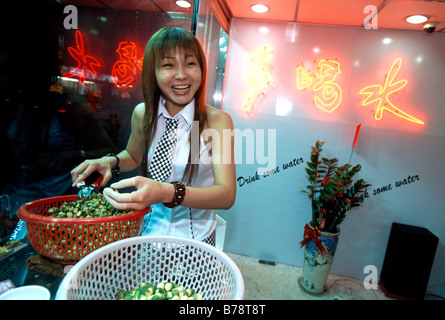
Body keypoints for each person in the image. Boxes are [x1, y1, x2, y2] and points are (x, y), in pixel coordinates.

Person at [71, 27, 236, 245]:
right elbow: (133, 154)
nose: (181, 75)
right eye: (168, 65)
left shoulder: (217, 121)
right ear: (153, 72)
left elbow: (226, 195)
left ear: (202, 69)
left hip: (195, 240)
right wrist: (111, 161)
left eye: (190, 63)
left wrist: (168, 193)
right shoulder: (143, 113)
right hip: (147, 232)